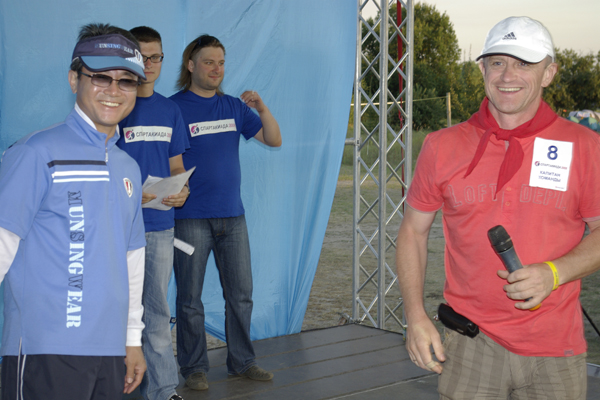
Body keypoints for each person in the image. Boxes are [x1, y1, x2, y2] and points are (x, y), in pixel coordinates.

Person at [396, 16, 600, 399]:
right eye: (498, 62)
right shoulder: (441, 146)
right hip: (470, 345)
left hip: (555, 349)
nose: (508, 75)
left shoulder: (584, 147)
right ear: (483, 69)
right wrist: (415, 316)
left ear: (549, 73)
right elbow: (412, 231)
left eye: (524, 63)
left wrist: (554, 273)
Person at [0, 23, 148, 398]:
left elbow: (132, 259)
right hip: (44, 348)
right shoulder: (36, 153)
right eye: (100, 77)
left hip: (111, 352)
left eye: (126, 81)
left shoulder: (128, 167)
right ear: (73, 79)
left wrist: (132, 339)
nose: (113, 91)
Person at [170, 34, 282, 391]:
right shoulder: (173, 108)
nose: (216, 69)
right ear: (191, 65)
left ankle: (242, 362)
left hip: (233, 217)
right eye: (209, 62)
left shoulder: (234, 107)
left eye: (221, 63)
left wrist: (262, 108)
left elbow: (274, 139)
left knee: (241, 294)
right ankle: (194, 368)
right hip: (189, 219)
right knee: (190, 298)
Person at [116, 26, 190, 400]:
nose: (149, 63)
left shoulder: (170, 110)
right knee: (114, 310)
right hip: (117, 227)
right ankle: (112, 387)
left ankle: (163, 390)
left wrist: (182, 189)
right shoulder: (114, 106)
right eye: (141, 57)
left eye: (156, 56)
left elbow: (176, 166)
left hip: (160, 225)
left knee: (157, 313)